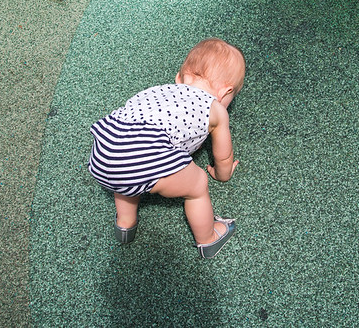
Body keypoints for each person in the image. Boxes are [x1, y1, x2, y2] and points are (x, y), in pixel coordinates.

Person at [88, 38, 245, 258]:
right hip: (145, 154)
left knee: (127, 163)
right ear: (225, 92)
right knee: (198, 184)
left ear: (179, 78)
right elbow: (223, 156)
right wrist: (223, 174)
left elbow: (129, 143)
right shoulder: (216, 108)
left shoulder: (158, 91)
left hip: (105, 150)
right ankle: (208, 239)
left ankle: (125, 224)